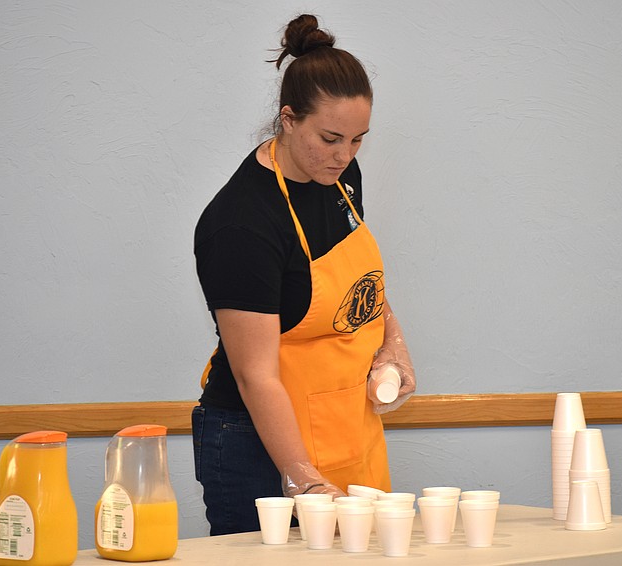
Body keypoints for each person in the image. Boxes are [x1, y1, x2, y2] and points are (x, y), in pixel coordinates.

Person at [192, 14, 416, 536]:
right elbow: (256, 376)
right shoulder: (242, 225)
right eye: (331, 138)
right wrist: (304, 480)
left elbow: (363, 286)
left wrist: (394, 343)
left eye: (359, 140)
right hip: (256, 438)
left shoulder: (338, 178)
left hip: (341, 420)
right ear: (288, 119)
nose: (345, 156)